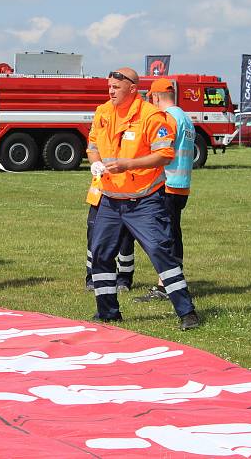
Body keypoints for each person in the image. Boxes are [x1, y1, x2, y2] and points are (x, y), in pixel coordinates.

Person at [87, 67, 199, 330]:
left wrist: (129, 164)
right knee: (101, 254)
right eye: (109, 87)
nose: (110, 91)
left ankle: (187, 312)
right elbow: (93, 146)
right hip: (110, 199)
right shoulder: (103, 112)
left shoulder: (152, 116)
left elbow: (165, 155)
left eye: (116, 87)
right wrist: (95, 163)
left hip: (144, 200)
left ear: (132, 89)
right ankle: (107, 313)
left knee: (160, 251)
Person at [134, 78, 196, 302]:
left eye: (151, 98)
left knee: (163, 236)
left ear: (156, 97)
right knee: (173, 233)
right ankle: (174, 281)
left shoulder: (168, 118)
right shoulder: (186, 118)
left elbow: (162, 150)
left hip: (167, 184)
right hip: (182, 185)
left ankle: (165, 286)